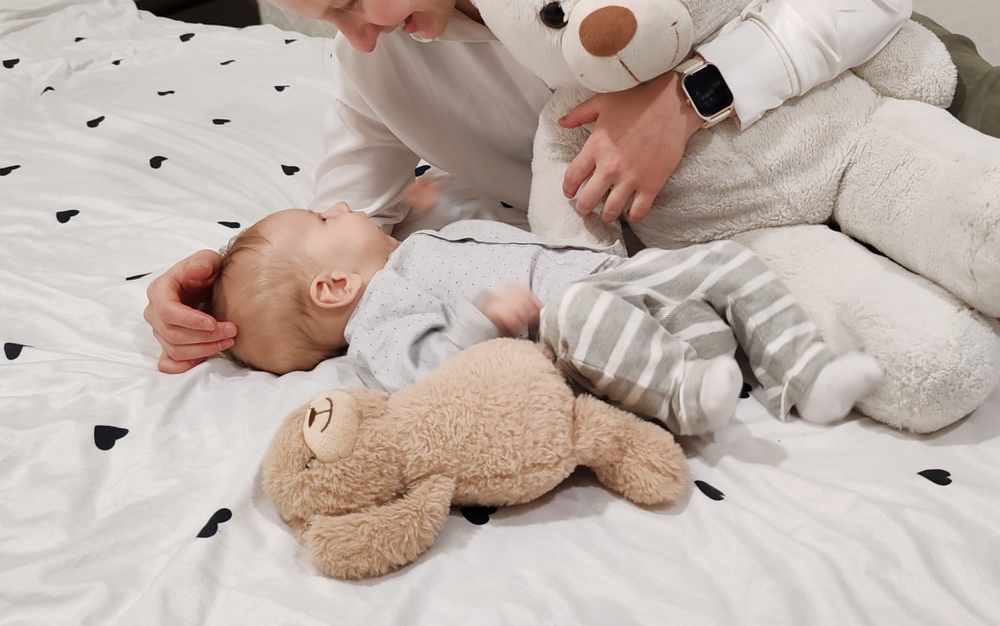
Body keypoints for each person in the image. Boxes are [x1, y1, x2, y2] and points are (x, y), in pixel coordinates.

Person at [147, 0, 917, 374]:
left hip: (873, 92)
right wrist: (223, 292)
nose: (359, 38)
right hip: (738, 244)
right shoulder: (379, 68)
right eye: (325, 22)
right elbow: (344, 233)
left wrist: (690, 98)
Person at [209, 197, 882, 436]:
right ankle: (686, 397)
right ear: (333, 287)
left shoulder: (410, 250)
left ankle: (809, 375)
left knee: (725, 260)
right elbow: (424, 381)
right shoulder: (377, 325)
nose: (341, 205)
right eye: (325, 219)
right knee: (575, 310)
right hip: (587, 345)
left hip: (628, 293)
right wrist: (484, 323)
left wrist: (420, 200)